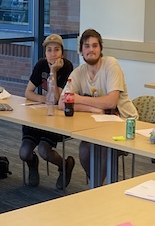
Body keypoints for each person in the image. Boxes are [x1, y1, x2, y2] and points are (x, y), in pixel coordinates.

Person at [60, 28, 138, 181]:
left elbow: (111, 102)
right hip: (98, 123)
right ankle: (95, 183)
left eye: (95, 45)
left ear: (101, 48)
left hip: (124, 122)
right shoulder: (79, 72)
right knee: (84, 149)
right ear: (81, 50)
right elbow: (62, 103)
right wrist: (93, 108)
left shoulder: (111, 65)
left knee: (103, 148)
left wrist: (78, 99)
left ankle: (96, 187)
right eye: (87, 46)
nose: (91, 50)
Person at [21, 33, 75, 190]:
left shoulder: (67, 67)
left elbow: (57, 99)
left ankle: (65, 165)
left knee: (44, 150)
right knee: (24, 153)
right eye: (49, 50)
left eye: (56, 50)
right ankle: (33, 164)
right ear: (45, 53)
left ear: (62, 53)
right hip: (40, 114)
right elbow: (28, 93)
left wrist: (53, 72)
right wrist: (43, 100)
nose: (53, 54)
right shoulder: (40, 65)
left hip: (57, 117)